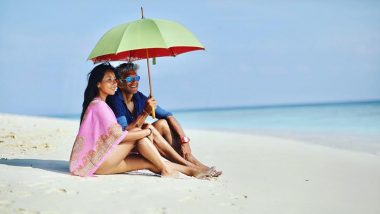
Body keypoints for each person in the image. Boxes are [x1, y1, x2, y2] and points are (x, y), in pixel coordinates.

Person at [69, 63, 214, 178]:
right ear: (98, 84)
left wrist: (184, 140)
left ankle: (192, 170)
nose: (114, 83)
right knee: (143, 133)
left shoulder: (101, 103)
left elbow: (168, 115)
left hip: (100, 164)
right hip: (100, 162)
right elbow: (119, 135)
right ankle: (180, 167)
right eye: (109, 80)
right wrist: (147, 131)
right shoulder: (101, 105)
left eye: (114, 79)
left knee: (149, 162)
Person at [106, 62, 222, 176]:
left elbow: (168, 115)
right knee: (148, 126)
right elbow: (124, 133)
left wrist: (184, 141)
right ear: (120, 84)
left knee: (162, 123)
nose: (134, 82)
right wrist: (145, 112)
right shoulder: (115, 100)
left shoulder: (139, 97)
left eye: (136, 78)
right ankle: (190, 166)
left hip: (142, 141)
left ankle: (190, 160)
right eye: (129, 79)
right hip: (125, 147)